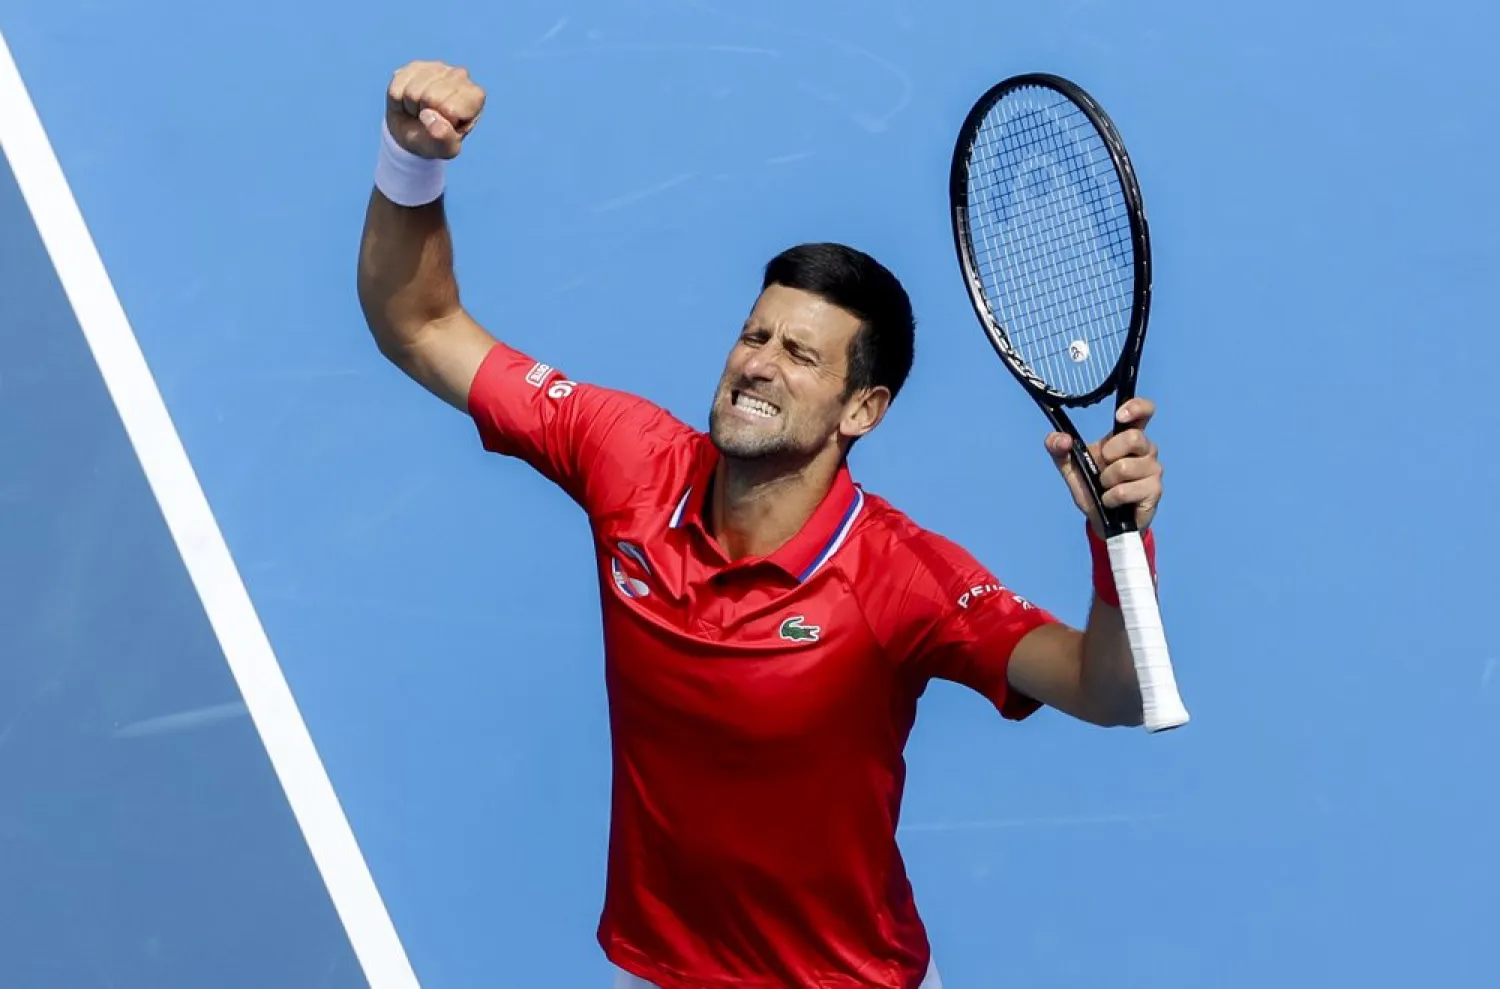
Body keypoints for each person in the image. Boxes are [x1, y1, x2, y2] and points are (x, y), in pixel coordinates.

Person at [358, 61, 1170, 989]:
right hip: (664, 971)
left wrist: (1120, 545)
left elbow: (1110, 691)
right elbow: (418, 323)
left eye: (799, 355)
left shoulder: (901, 579)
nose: (758, 366)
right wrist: (411, 162)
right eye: (754, 336)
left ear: (861, 410)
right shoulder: (628, 459)